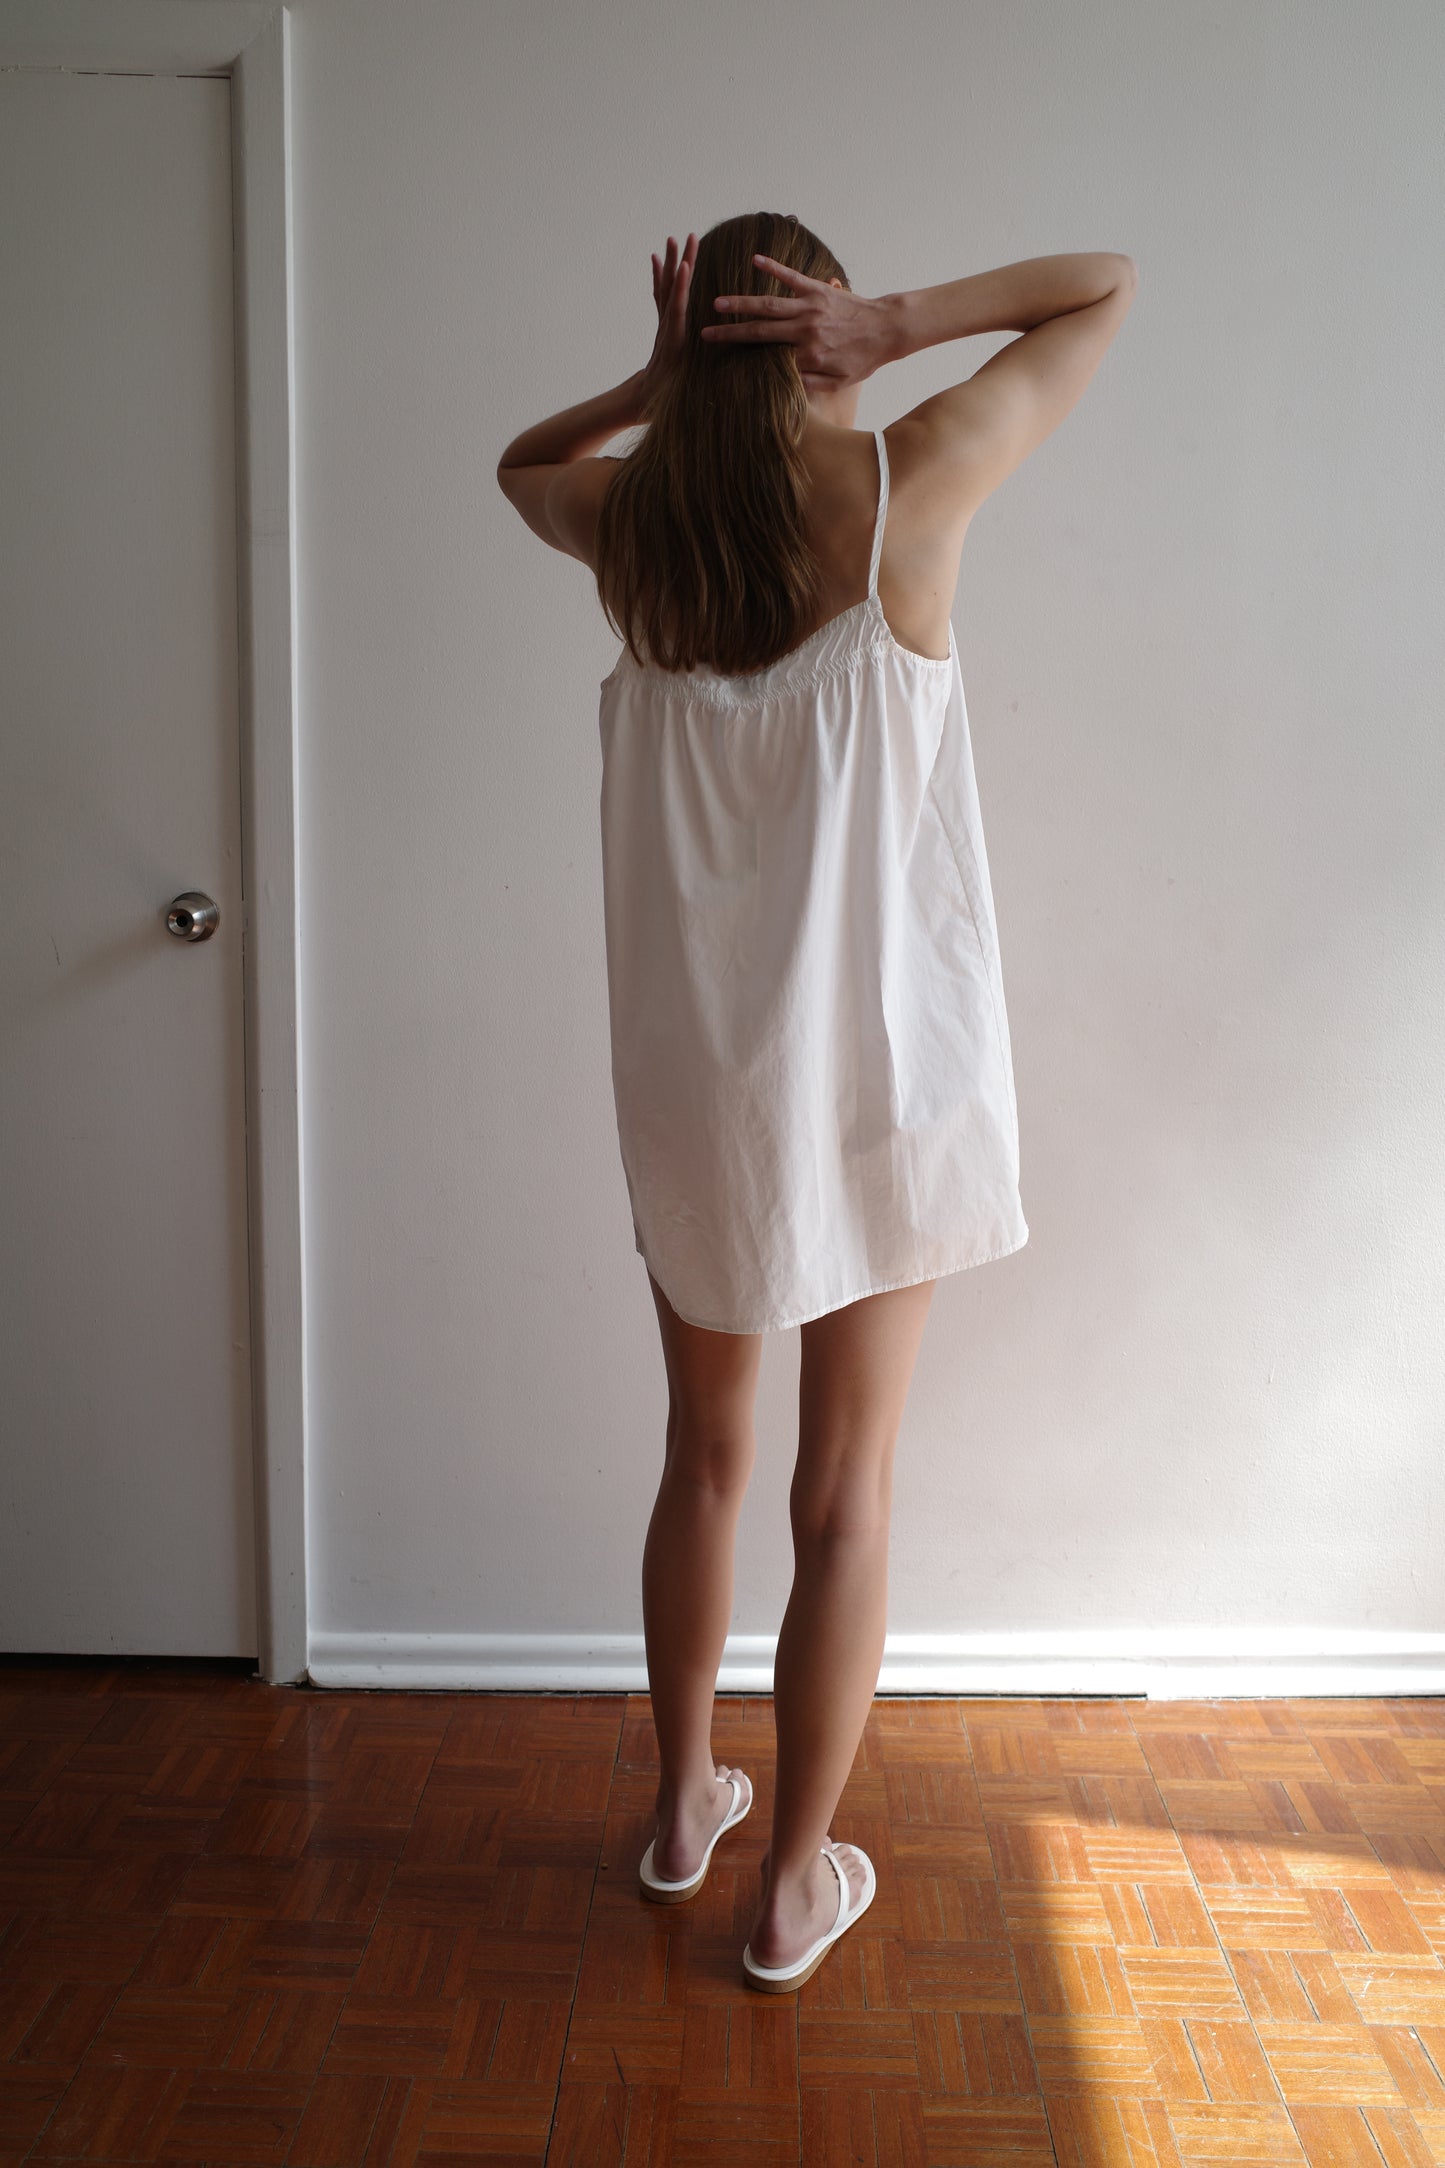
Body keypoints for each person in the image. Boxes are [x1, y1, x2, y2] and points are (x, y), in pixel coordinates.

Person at [497, 213, 1138, 1990]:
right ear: (813, 335)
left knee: (703, 1461)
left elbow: (519, 465)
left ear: (700, 346)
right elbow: (1107, 281)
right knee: (841, 1492)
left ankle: (679, 1805)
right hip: (887, 1094)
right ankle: (791, 1886)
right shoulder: (906, 487)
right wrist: (900, 325)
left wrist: (654, 381)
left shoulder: (627, 536)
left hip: (703, 1104)